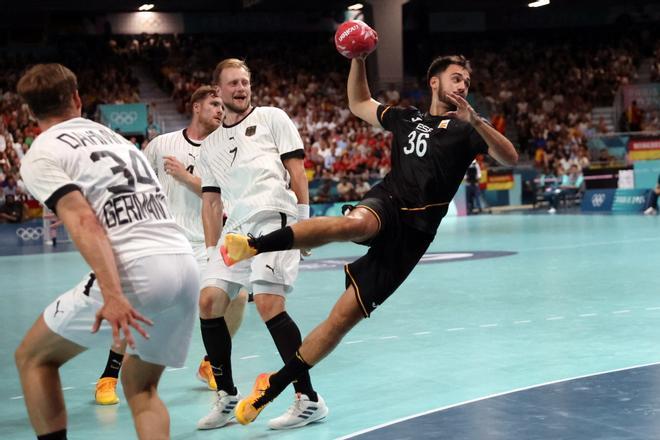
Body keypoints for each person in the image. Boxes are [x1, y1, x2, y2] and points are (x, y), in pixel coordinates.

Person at [221, 54, 518, 425]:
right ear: (434, 83)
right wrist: (359, 60)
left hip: (414, 234)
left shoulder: (469, 128)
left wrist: (476, 119)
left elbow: (510, 157)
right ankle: (254, 244)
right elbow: (359, 103)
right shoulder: (407, 117)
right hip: (389, 200)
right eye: (456, 78)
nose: (462, 86)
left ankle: (275, 389)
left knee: (341, 319)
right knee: (354, 224)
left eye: (467, 82)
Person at [14, 63, 199, 440]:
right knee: (142, 388)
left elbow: (83, 220)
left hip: (137, 270)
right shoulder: (114, 138)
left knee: (34, 358)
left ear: (29, 113)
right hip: (184, 265)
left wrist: (113, 295)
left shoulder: (42, 152)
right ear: (77, 98)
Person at [92, 85, 248, 405]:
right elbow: (137, 182)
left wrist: (187, 178)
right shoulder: (163, 144)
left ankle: (210, 363)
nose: (221, 110)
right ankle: (109, 375)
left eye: (223, 106)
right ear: (195, 107)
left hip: (206, 240)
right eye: (214, 104)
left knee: (239, 296)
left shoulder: (230, 150)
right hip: (164, 239)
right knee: (139, 304)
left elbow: (225, 197)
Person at [195, 58, 328, 431]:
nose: (241, 88)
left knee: (269, 303)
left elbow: (297, 172)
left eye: (245, 82)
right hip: (233, 230)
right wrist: (210, 252)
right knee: (209, 301)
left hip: (274, 217)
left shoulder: (272, 117)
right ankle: (226, 396)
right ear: (217, 91)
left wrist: (303, 226)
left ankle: (308, 400)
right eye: (233, 84)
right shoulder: (211, 146)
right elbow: (210, 201)